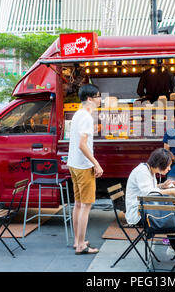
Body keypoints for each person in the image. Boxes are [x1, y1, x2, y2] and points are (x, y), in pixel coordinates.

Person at [125, 148, 175, 272]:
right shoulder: (142, 172)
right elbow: (147, 193)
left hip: (146, 209)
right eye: (168, 166)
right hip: (138, 215)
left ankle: (174, 246)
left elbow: (148, 189)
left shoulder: (148, 170)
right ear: (160, 164)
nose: (169, 169)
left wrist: (161, 186)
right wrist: (169, 191)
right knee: (171, 220)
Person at [67, 84, 103, 254]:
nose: (100, 99)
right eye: (98, 96)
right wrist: (96, 163)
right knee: (85, 207)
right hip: (83, 166)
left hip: (73, 164)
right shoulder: (87, 117)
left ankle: (77, 241)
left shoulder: (77, 114)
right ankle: (81, 245)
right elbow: (83, 144)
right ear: (89, 99)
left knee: (78, 204)